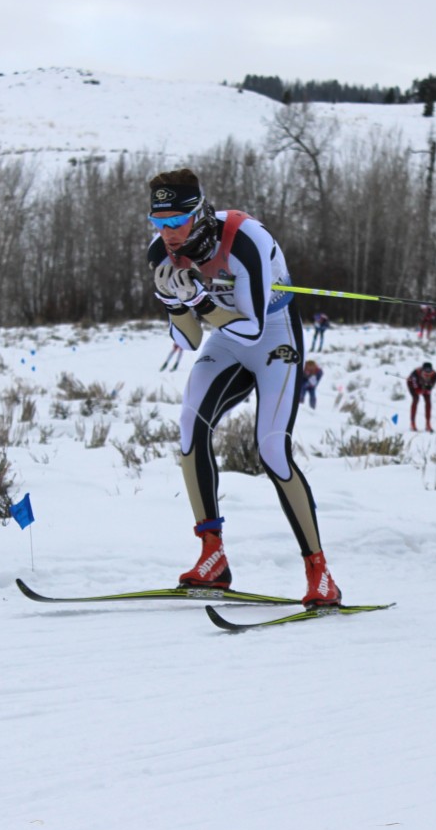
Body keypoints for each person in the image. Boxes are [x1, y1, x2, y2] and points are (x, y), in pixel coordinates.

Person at [146, 167, 341, 606]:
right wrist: (172, 302)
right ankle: (212, 556)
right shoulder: (160, 252)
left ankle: (320, 571)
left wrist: (197, 300)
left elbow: (252, 329)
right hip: (226, 339)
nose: (168, 234)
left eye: (175, 222)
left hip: (273, 336)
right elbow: (188, 340)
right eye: (158, 223)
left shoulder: (244, 239)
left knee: (272, 449)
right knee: (189, 430)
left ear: (199, 213)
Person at [406, 361, 436, 431]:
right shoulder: (415, 373)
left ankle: (428, 424)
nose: (427, 374)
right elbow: (414, 385)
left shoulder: (435, 375)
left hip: (425, 385)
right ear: (422, 370)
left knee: (428, 402)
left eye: (429, 373)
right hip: (412, 384)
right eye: (425, 373)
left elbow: (431, 386)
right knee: (416, 399)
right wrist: (418, 389)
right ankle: (412, 423)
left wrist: (428, 389)